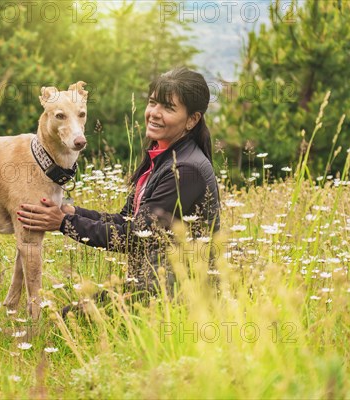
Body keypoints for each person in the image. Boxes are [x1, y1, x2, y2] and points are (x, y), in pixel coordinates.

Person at [16, 67, 220, 296]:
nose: (154, 112)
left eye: (168, 108)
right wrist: (74, 212)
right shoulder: (161, 156)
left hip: (181, 293)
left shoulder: (185, 170)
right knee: (75, 310)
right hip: (154, 285)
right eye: (153, 103)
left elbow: (134, 237)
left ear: (192, 120)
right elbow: (127, 220)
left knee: (72, 318)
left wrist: (64, 223)